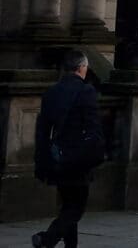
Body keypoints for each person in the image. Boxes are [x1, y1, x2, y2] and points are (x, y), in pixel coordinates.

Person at [33, 49, 104, 248]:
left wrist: (42, 159)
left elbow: (42, 129)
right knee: (76, 208)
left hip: (57, 156)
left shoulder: (52, 92)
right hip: (78, 158)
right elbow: (92, 127)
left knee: (68, 205)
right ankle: (46, 239)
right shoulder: (86, 91)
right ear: (81, 67)